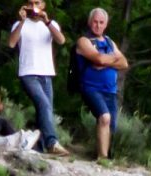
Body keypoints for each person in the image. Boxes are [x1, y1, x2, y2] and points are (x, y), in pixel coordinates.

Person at [8, 0, 72, 157]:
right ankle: (52, 142)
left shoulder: (50, 24)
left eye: (36, 3)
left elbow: (61, 40)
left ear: (43, 5)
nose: (33, 6)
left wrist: (47, 21)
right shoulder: (19, 24)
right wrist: (22, 21)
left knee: (45, 109)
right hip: (28, 72)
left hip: (46, 73)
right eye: (30, 3)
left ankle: (39, 146)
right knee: (43, 103)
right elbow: (11, 43)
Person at [74, 8, 130, 161]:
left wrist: (105, 61)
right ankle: (103, 158)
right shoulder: (84, 41)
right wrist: (110, 60)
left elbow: (124, 63)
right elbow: (98, 59)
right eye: (95, 22)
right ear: (89, 22)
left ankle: (102, 154)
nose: (97, 25)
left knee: (110, 125)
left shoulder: (109, 42)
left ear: (106, 24)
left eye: (101, 22)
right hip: (91, 87)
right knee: (104, 117)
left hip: (110, 90)